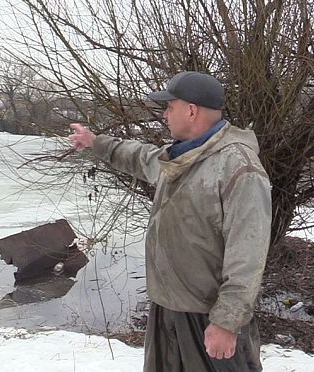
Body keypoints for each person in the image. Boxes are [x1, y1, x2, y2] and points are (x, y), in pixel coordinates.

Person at [69, 71, 271, 372]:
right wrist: (95, 142)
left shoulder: (238, 168)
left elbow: (248, 256)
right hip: (167, 307)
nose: (165, 115)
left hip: (207, 317)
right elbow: (138, 156)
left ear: (191, 110)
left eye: (170, 107)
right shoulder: (178, 158)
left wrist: (226, 322)